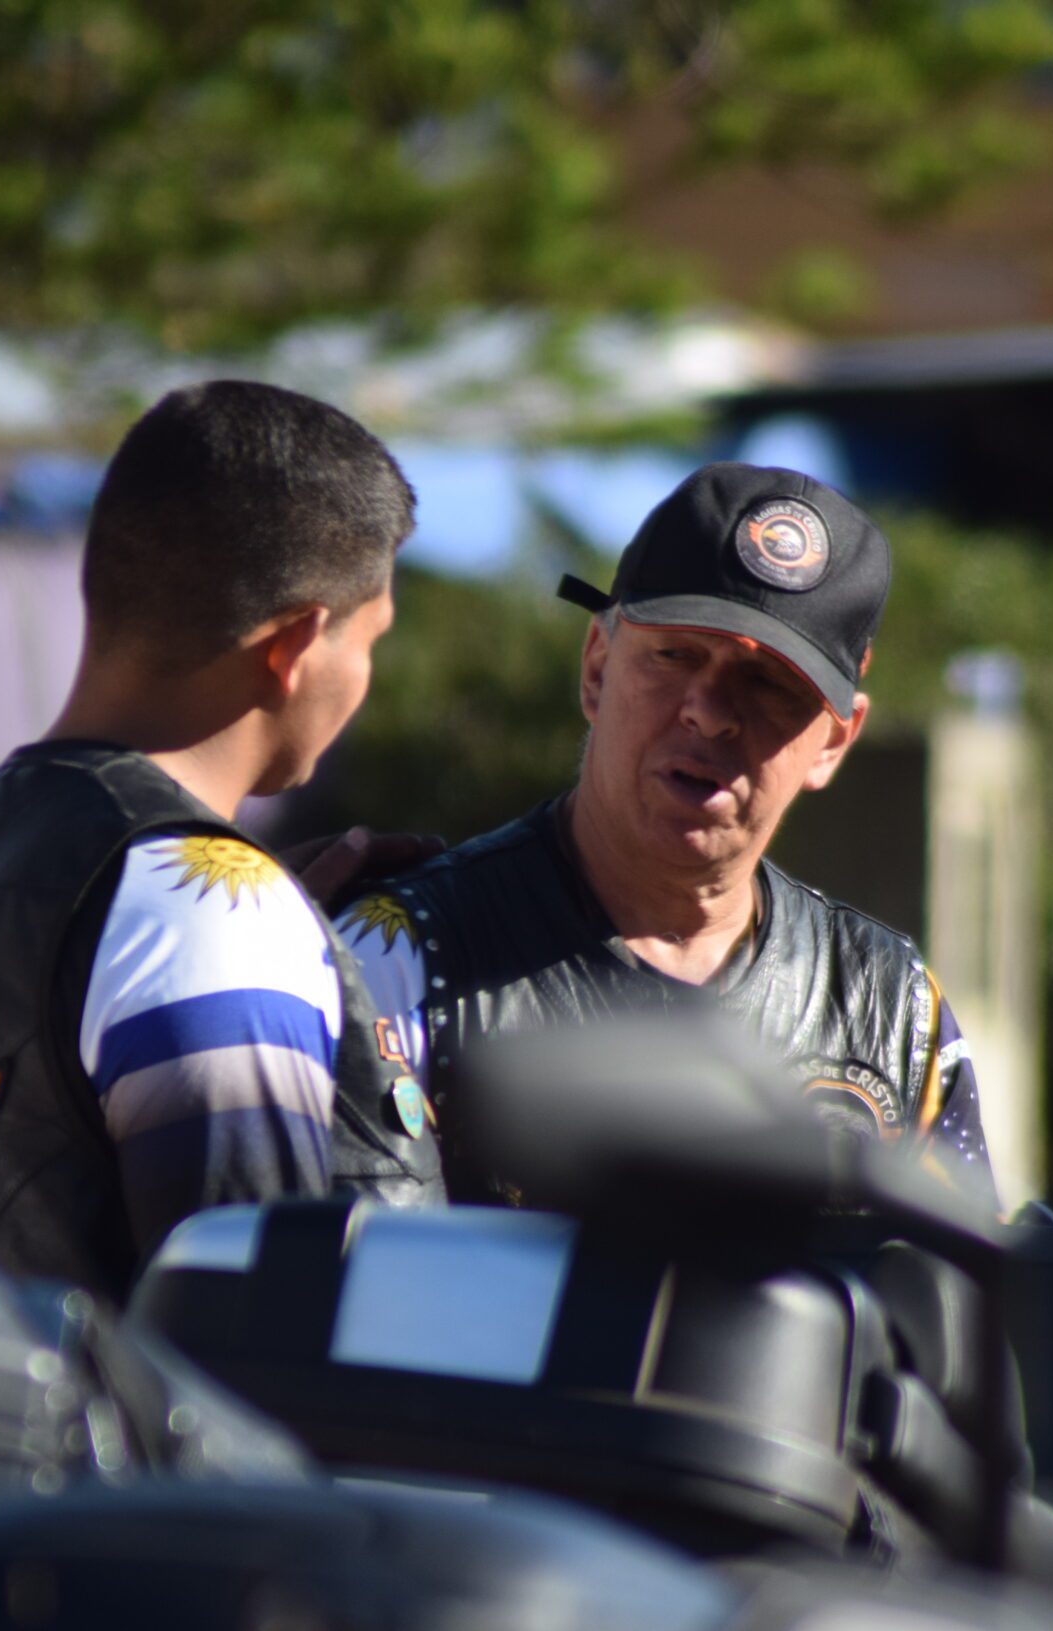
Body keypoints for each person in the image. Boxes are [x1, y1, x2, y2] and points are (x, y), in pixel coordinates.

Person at [0, 380, 443, 1295]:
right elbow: (239, 1331)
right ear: (297, 645)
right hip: (101, 1441)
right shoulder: (212, 900)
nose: (366, 676)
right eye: (370, 639)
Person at [337, 463, 997, 1211]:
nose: (711, 712)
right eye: (677, 654)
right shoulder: (401, 957)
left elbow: (959, 1310)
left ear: (833, 743)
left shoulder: (895, 1008)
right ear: (596, 668)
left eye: (773, 685)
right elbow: (354, 1298)